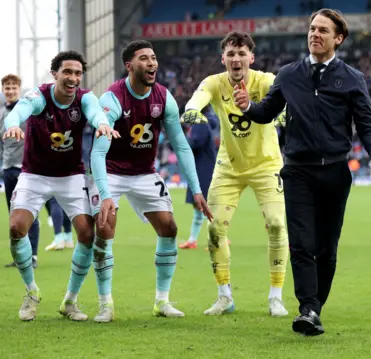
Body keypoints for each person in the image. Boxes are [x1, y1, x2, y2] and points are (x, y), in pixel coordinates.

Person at [232, 9, 371, 335]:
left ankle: (314, 307)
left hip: (335, 173)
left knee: (326, 249)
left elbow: (366, 125)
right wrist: (249, 107)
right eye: (312, 28)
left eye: (323, 30)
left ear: (339, 38)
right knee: (302, 244)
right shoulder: (289, 74)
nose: (315, 34)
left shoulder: (352, 78)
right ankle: (307, 308)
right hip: (297, 173)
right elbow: (267, 112)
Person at [87, 40, 212, 323]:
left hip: (144, 172)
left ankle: (162, 301)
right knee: (105, 228)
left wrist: (196, 190)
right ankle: (105, 303)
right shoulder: (112, 98)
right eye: (144, 58)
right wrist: (106, 194)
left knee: (169, 228)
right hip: (111, 171)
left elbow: (180, 145)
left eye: (154, 58)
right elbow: (97, 152)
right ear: (129, 66)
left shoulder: (164, 97)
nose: (152, 63)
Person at [180, 32, 290, 317]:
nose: (236, 58)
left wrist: (282, 113)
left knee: (277, 225)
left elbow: (285, 97)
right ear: (223, 58)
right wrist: (192, 110)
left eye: (241, 53)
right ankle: (224, 295)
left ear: (250, 58)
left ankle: (276, 296)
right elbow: (198, 96)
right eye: (231, 53)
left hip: (267, 166)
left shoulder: (264, 80)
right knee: (215, 230)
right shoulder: (215, 83)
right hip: (228, 168)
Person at [3, 50, 117, 321]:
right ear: (55, 74)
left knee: (87, 235)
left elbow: (94, 112)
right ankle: (31, 292)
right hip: (34, 174)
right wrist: (14, 125)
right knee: (16, 227)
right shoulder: (39, 96)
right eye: (67, 72)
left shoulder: (85, 97)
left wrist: (102, 123)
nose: (73, 78)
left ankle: (70, 301)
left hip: (71, 176)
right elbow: (18, 111)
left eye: (78, 73)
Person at [0, 74, 41, 269]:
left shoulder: (26, 112)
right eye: (7, 88)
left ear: (19, 89)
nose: (10, 91)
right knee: (13, 215)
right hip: (7, 170)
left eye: (13, 88)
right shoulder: (1, 114)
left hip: (27, 170)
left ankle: (32, 256)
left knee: (29, 213)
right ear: (3, 90)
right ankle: (19, 257)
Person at [178, 106, 218, 249]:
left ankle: (217, 238)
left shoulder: (200, 124)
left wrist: (182, 139)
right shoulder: (203, 123)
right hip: (202, 168)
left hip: (203, 170)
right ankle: (193, 240)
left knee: (207, 204)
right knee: (200, 206)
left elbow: (196, 143)